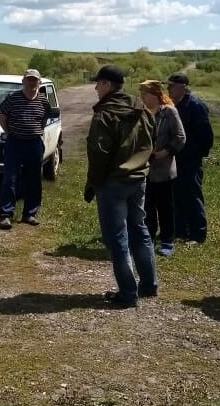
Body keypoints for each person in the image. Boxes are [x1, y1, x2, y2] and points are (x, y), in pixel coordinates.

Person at [84, 65, 158, 308]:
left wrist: (93, 183)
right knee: (140, 230)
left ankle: (127, 293)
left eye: (99, 83)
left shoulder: (105, 113)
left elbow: (98, 152)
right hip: (139, 179)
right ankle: (148, 284)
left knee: (117, 238)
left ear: (107, 85)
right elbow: (152, 139)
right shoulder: (141, 108)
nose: (95, 88)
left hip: (113, 182)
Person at [0, 68, 52, 230]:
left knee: (34, 179)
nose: (32, 83)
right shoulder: (12, 98)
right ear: (23, 81)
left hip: (34, 143)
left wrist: (34, 131)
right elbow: (3, 119)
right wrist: (11, 134)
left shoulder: (44, 101)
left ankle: (30, 214)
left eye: (35, 80)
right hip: (15, 143)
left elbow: (44, 120)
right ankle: (5, 215)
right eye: (29, 79)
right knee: (10, 179)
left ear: (39, 83)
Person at [139, 80, 186, 258]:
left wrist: (165, 152)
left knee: (165, 207)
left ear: (156, 95)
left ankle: (167, 241)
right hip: (145, 169)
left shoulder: (169, 113)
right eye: (142, 93)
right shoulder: (141, 113)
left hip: (164, 169)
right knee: (147, 207)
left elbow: (180, 137)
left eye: (146, 93)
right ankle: (148, 239)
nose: (143, 97)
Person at [167, 73, 213, 245]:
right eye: (168, 86)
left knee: (192, 195)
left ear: (183, 87)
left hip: (191, 159)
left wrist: (197, 155)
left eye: (172, 86)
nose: (168, 89)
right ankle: (180, 231)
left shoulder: (195, 105)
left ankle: (197, 234)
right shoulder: (173, 105)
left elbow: (206, 135)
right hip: (176, 157)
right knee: (176, 194)